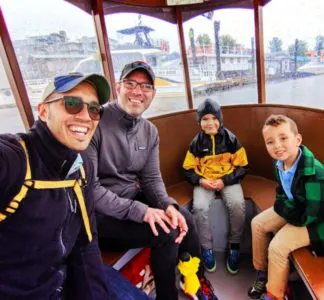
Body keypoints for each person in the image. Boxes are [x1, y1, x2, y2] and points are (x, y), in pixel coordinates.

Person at [86, 61, 218, 300]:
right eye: (131, 83)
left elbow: (152, 179)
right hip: (101, 216)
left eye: (146, 86)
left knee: (183, 217)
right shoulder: (95, 123)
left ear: (153, 94)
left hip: (132, 199)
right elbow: (91, 190)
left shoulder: (149, 131)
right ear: (118, 86)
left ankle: (195, 279)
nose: (138, 92)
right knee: (165, 232)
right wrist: (141, 211)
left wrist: (167, 205)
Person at [0, 73, 112, 299]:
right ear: (43, 111)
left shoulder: (83, 168)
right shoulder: (16, 160)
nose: (85, 117)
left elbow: (85, 245)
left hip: (61, 281)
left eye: (94, 109)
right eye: (72, 104)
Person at [247, 114, 324, 300]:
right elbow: (282, 192)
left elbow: (317, 212)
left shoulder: (314, 173)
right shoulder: (280, 163)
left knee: (277, 247)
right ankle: (262, 273)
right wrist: (286, 209)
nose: (277, 146)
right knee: (257, 224)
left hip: (320, 220)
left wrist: (287, 215)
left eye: (283, 138)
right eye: (270, 142)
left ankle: (275, 294)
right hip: (297, 208)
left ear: (298, 140)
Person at [182, 98, 248, 275]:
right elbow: (187, 170)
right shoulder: (196, 143)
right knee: (199, 207)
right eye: (205, 119)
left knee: (237, 205)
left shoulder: (231, 139)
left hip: (228, 179)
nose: (210, 123)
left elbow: (242, 167)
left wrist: (225, 181)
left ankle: (234, 247)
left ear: (220, 119)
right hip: (205, 180)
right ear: (199, 122)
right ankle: (206, 249)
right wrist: (201, 180)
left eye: (214, 118)